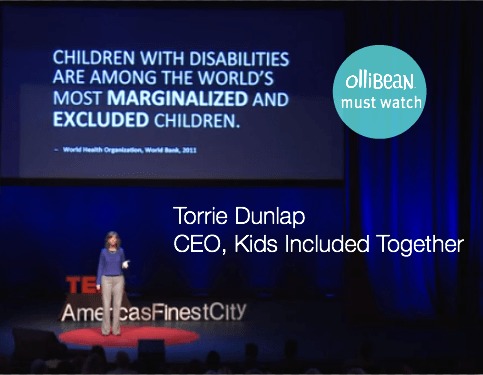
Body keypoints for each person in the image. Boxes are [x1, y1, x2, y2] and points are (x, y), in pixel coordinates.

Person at [96, 231, 129, 336]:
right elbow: (100, 266)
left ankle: (116, 330)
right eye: (111, 238)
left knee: (117, 305)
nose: (113, 240)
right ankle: (105, 330)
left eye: (115, 238)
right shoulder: (103, 252)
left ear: (117, 240)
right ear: (108, 240)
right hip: (106, 280)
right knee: (106, 305)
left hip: (119, 279)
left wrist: (125, 265)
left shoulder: (121, 251)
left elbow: (123, 263)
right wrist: (98, 282)